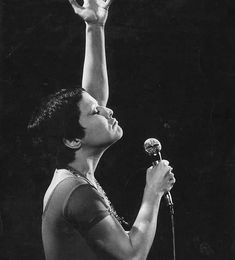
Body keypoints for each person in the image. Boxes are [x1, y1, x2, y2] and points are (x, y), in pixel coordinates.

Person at [28, 0, 176, 259]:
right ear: (73, 140)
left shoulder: (73, 174)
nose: (108, 111)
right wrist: (153, 191)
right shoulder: (77, 193)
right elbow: (131, 256)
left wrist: (94, 27)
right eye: (97, 112)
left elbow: (93, 96)